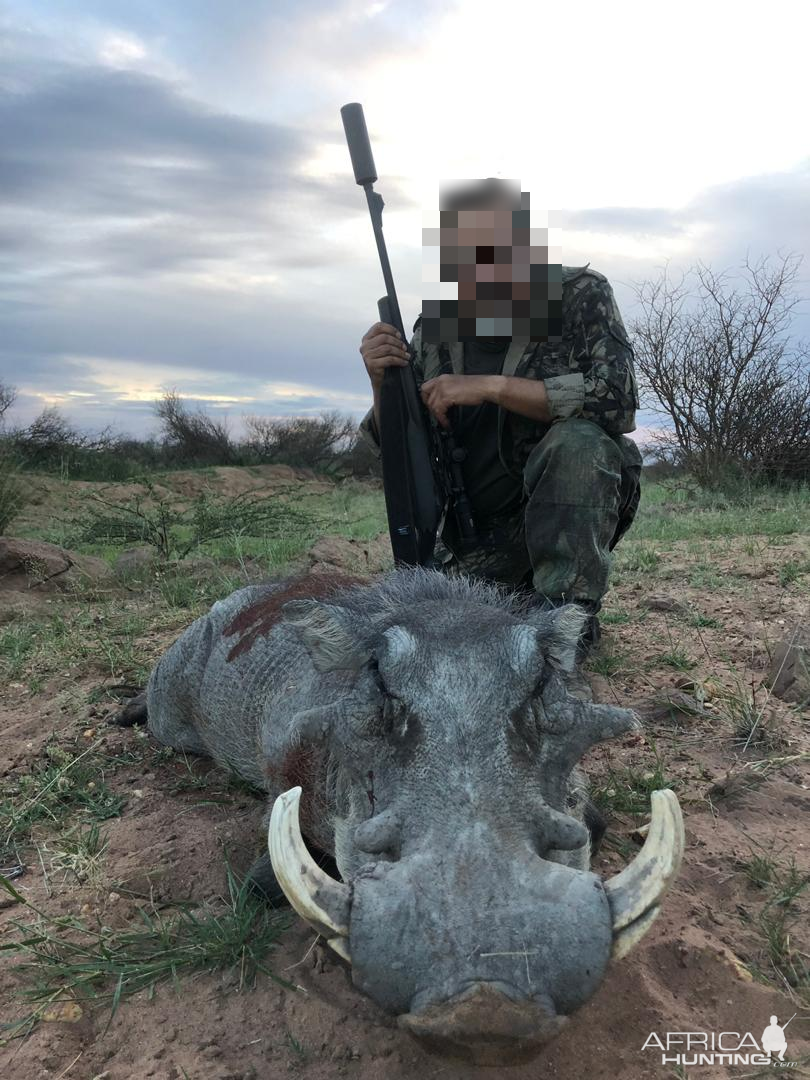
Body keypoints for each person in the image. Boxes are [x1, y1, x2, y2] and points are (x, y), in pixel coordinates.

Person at [358, 178, 642, 658]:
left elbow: (618, 401)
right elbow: (399, 448)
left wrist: (491, 387)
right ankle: (512, 594)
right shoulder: (435, 327)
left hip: (556, 513)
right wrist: (381, 382)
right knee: (425, 633)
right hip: (474, 533)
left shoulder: (579, 297)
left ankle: (565, 621)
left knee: (579, 441)